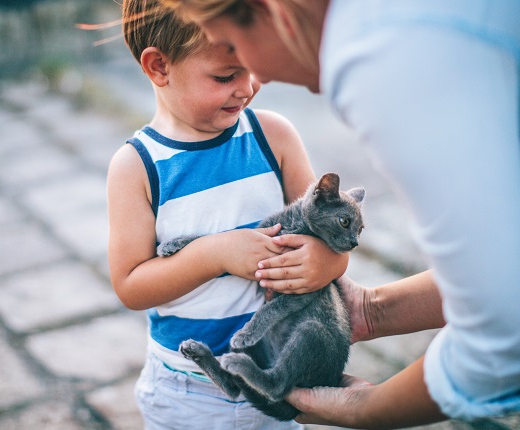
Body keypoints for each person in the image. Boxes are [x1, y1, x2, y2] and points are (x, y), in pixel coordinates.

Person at [157, 0, 520, 428]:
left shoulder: (375, 53)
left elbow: (507, 336)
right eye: (226, 70)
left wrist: (372, 410)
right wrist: (368, 309)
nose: (255, 80)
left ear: (276, 11)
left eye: (233, 46)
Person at [106, 1, 350, 428]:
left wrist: (330, 260)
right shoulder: (137, 167)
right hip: (186, 391)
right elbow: (130, 285)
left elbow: (329, 235)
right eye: (225, 76)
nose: (249, 86)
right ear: (159, 67)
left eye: (250, 65)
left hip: (274, 377)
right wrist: (213, 255)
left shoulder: (273, 137)